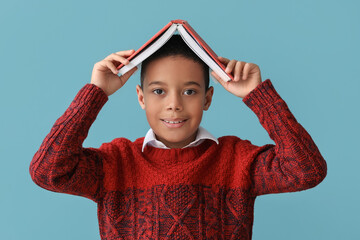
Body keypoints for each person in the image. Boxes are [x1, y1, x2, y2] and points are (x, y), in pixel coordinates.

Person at [29, 35, 327, 239]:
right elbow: (48, 172)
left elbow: (306, 170)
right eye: (159, 91)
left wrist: (258, 96)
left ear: (208, 98)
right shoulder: (115, 163)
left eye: (189, 91)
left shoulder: (237, 160)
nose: (174, 104)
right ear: (141, 97)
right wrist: (95, 94)